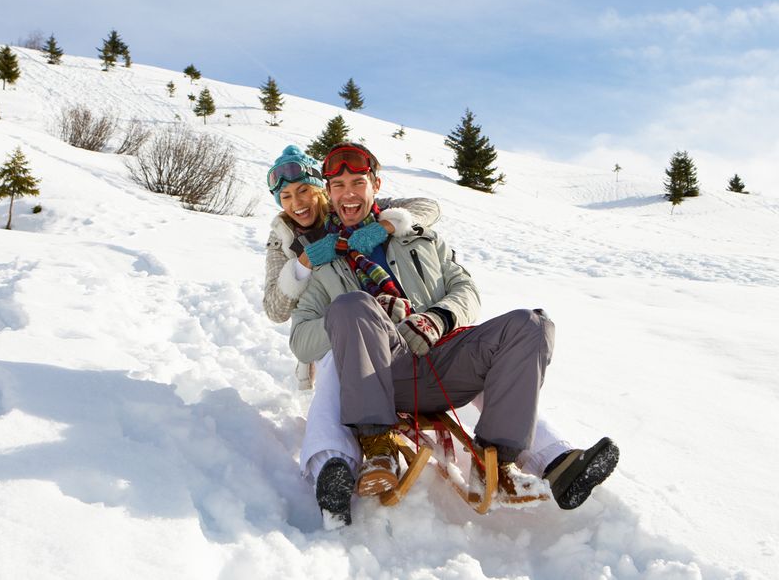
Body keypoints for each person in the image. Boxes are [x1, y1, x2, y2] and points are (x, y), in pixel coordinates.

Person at [289, 142, 619, 510]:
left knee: (531, 325)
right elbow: (301, 340)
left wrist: (437, 318)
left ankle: (500, 456)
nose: (349, 194)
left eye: (358, 182)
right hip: (380, 376)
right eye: (338, 185)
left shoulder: (419, 238)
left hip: (443, 358)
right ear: (329, 194)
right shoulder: (324, 264)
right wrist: (360, 323)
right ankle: (377, 448)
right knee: (352, 305)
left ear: (376, 186)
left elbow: (466, 289)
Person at [261, 145, 440, 526]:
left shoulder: (351, 204)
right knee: (333, 367)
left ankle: (544, 452)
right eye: (287, 196)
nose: (298, 203)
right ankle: (330, 465)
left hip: (384, 322)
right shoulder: (284, 239)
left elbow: (426, 208)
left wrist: (385, 225)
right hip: (326, 328)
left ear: (321, 190)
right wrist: (305, 262)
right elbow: (276, 309)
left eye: (305, 191)